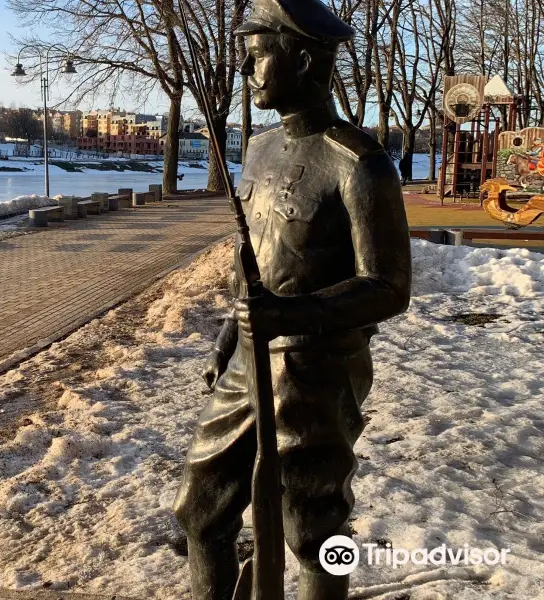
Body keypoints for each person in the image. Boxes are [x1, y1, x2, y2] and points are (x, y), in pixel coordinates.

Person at [172, 1, 412, 599]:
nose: (247, 72)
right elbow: (255, 256)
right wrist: (230, 335)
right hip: (249, 364)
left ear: (302, 59)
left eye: (257, 57)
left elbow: (389, 286)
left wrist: (293, 316)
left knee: (313, 528)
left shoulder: (359, 163)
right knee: (201, 510)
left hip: (316, 371)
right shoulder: (257, 149)